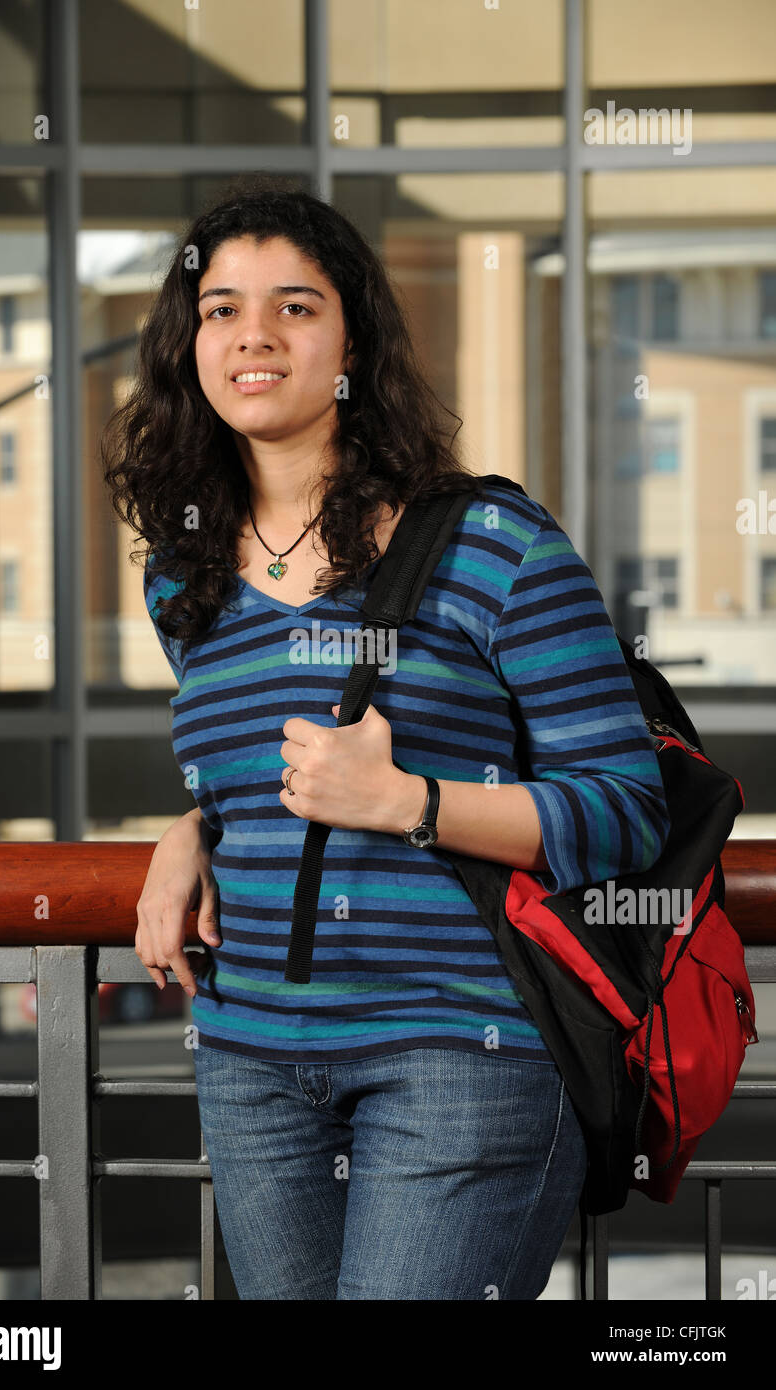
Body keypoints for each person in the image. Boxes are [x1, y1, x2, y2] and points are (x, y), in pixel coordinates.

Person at [101, 177, 671, 1301]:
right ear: (188, 345)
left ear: (352, 341)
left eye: (295, 306)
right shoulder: (187, 579)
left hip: (459, 1054)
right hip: (249, 1056)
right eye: (219, 308)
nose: (252, 334)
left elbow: (625, 806)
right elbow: (271, 768)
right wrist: (190, 827)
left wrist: (409, 800)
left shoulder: (490, 542)